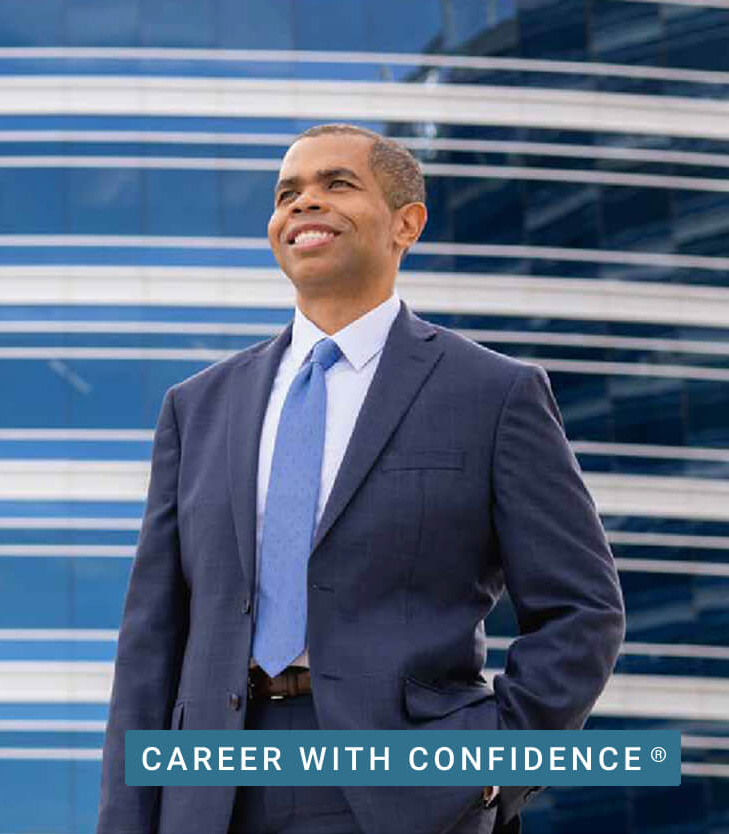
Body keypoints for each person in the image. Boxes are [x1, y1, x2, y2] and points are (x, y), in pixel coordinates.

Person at [96, 123, 626, 834]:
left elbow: (582, 608)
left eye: (336, 185)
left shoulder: (493, 394)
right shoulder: (197, 409)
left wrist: (492, 767)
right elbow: (151, 642)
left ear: (407, 223)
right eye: (288, 194)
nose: (304, 205)